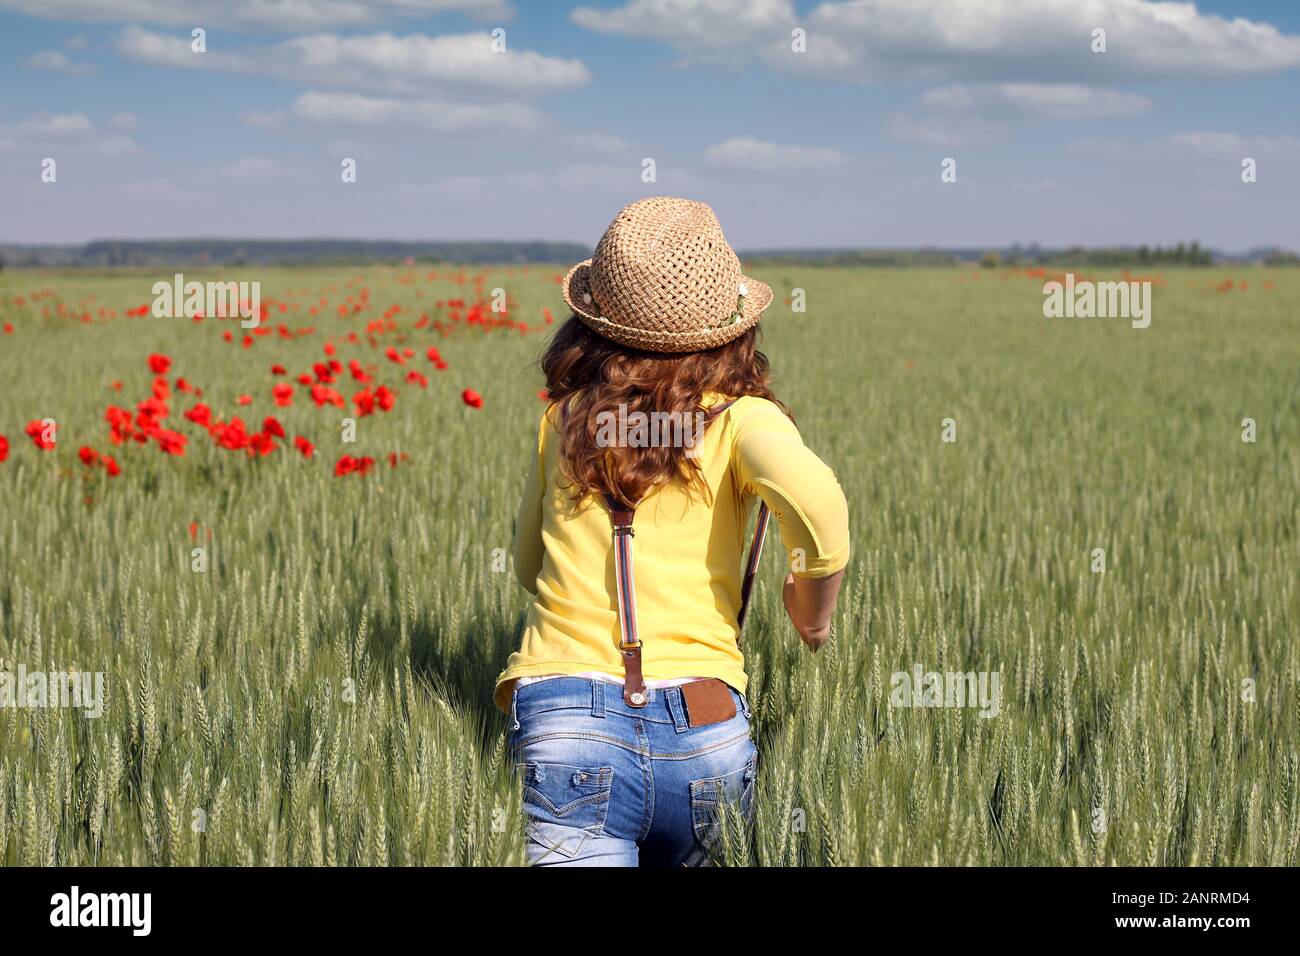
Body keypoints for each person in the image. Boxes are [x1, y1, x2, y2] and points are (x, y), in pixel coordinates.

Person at [495, 196, 850, 866]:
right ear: (731, 325)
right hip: (705, 727)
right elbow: (821, 503)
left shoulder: (565, 419)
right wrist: (813, 613)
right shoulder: (747, 420)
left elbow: (526, 566)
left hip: (566, 725)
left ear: (592, 326)